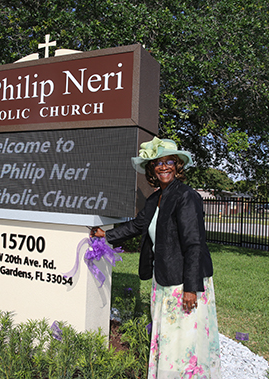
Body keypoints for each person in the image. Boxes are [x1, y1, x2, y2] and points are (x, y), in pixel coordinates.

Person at [91, 137, 221, 379]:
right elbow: (137, 226)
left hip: (184, 281)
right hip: (163, 280)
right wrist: (106, 235)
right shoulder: (155, 199)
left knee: (185, 339)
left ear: (178, 166)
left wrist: (191, 288)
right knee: (169, 336)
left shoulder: (186, 196)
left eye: (169, 161)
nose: (163, 167)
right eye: (157, 163)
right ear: (152, 169)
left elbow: (194, 244)